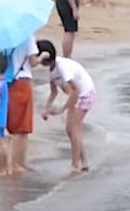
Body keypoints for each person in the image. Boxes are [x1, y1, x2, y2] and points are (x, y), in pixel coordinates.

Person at [0, 37, 42, 173]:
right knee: (22, 127)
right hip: (21, 81)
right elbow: (33, 62)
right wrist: (43, 56)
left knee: (16, 125)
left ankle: (20, 162)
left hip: (7, 81)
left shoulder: (2, 38)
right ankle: (15, 164)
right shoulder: (27, 36)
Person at [39, 40, 96, 173]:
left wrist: (61, 109)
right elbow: (54, 92)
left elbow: (75, 90)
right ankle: (84, 163)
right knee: (70, 130)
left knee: (74, 128)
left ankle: (75, 165)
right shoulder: (52, 70)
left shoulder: (63, 68)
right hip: (76, 95)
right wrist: (46, 109)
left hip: (86, 94)